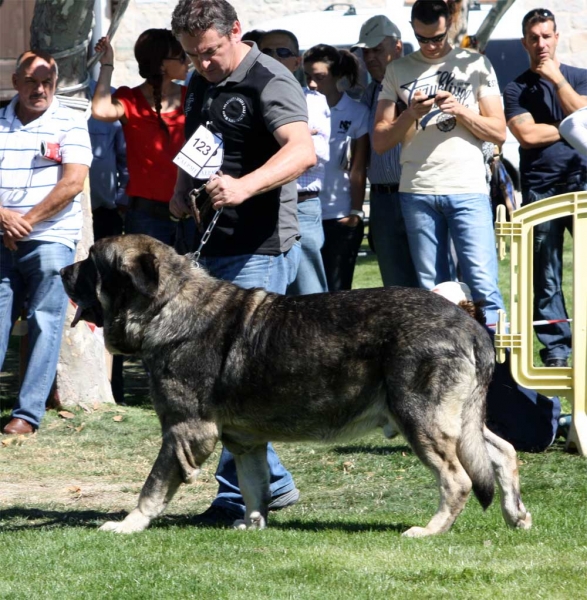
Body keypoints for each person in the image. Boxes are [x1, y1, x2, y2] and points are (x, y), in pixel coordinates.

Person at [169, 0, 316, 526]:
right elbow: (199, 139)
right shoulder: (201, 80)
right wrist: (181, 187)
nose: (202, 64)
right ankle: (272, 483)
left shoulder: (269, 80)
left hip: (260, 246)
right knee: (218, 377)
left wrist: (245, 186)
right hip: (211, 243)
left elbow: (302, 152)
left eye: (209, 53)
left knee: (233, 379)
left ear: (235, 31)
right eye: (191, 56)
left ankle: (237, 497)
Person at [373, 0, 506, 327]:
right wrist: (410, 114)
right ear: (412, 28)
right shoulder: (397, 70)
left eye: (439, 38)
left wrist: (461, 110)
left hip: (468, 188)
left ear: (451, 25)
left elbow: (499, 131)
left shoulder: (475, 64)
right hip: (418, 192)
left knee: (483, 285)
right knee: (434, 293)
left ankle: (500, 372)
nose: (431, 46)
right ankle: (446, 369)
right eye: (423, 39)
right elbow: (379, 141)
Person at [0, 51, 92, 434]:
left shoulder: (70, 123)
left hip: (50, 238)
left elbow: (73, 182)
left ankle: (26, 415)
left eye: (47, 83)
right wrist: (4, 217)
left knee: (45, 320)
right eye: (31, 82)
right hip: (2, 232)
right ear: (17, 82)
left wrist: (25, 222)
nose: (39, 89)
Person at [504, 8, 587, 368]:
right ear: (525, 41)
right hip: (542, 190)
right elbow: (527, 134)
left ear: (556, 38)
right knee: (546, 275)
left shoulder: (580, 78)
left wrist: (557, 81)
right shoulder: (515, 88)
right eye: (534, 37)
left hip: (582, 182)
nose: (541, 43)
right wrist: (573, 125)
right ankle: (557, 349)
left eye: (547, 36)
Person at [92, 29, 188, 246]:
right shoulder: (130, 99)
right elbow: (100, 110)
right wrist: (107, 64)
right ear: (162, 64)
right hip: (146, 216)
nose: (188, 61)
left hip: (189, 212)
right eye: (181, 56)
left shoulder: (190, 97)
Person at [259, 29, 330, 295]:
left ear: (297, 62)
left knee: (310, 293)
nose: (275, 58)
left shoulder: (314, 101)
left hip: (303, 204)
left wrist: (276, 141)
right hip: (263, 204)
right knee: (269, 293)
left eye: (283, 52)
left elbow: (318, 153)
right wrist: (297, 137)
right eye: (267, 52)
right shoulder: (251, 98)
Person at [354, 15, 419, 288]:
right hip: (382, 200)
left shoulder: (418, 83)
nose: (370, 58)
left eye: (377, 50)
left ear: (398, 48)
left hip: (416, 194)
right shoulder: (369, 93)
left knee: (433, 284)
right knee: (396, 289)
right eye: (366, 51)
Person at [303, 44, 369, 291]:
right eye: (307, 76)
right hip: (304, 212)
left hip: (340, 216)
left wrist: (355, 211)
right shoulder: (298, 107)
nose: (311, 84)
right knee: (305, 295)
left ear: (337, 76)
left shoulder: (357, 112)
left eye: (319, 77)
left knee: (338, 293)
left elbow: (358, 167)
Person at [87, 78, 128, 403]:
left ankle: (114, 386)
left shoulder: (110, 107)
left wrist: (120, 200)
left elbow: (123, 159)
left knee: (112, 298)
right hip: (67, 218)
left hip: (105, 215)